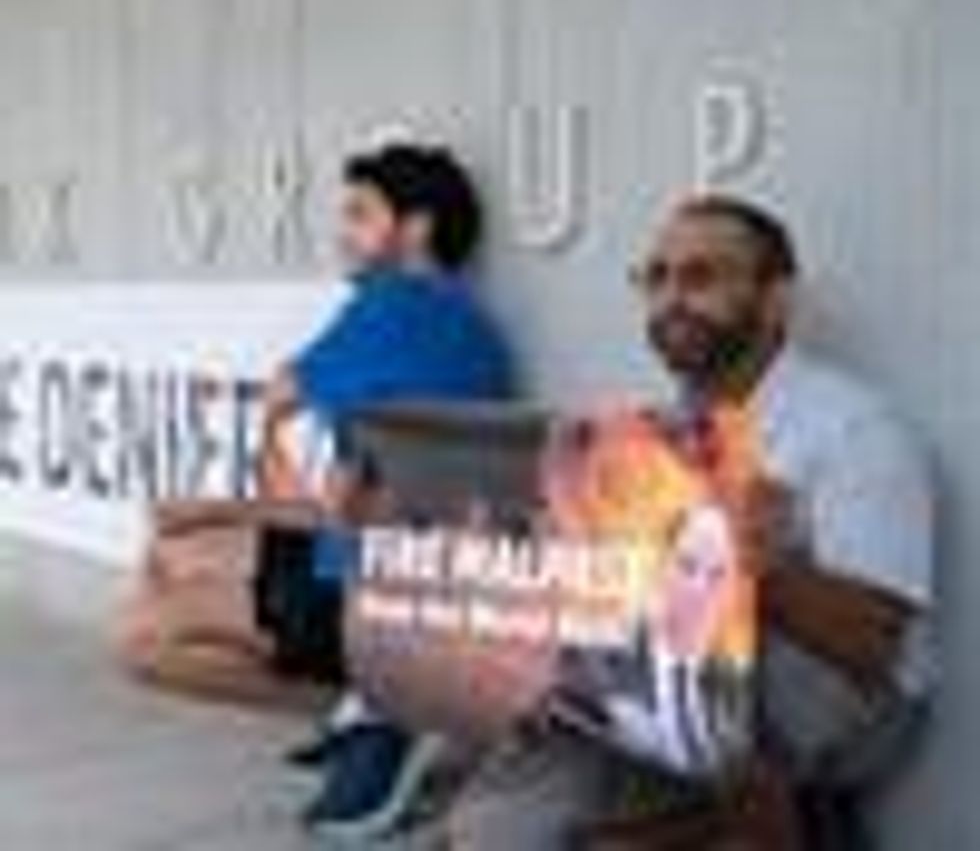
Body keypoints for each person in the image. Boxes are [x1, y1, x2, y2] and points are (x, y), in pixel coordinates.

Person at [429, 195, 934, 850]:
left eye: (700, 277)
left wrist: (758, 568)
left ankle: (731, 818)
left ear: (775, 300)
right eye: (656, 277)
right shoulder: (652, 432)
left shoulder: (855, 428)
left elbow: (877, 644)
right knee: (514, 703)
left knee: (598, 717)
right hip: (679, 671)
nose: (670, 299)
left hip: (843, 693)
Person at [119, 142, 517, 828]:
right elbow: (341, 495)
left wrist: (211, 506)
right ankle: (373, 706)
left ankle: (379, 710)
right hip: (421, 576)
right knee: (176, 553)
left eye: (361, 214)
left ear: (416, 228)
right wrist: (208, 511)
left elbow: (283, 394)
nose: (343, 233)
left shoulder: (393, 304)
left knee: (146, 637)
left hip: (381, 593)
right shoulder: (460, 318)